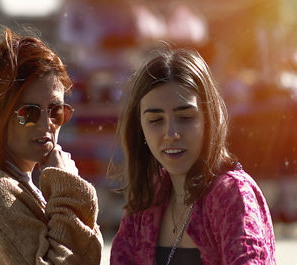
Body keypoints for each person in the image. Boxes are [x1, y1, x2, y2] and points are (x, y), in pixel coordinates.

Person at [0, 27, 103, 265]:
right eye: (28, 113)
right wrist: (67, 187)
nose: (46, 124)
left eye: (56, 111)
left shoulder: (14, 181)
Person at [110, 48, 276, 264]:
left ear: (208, 119)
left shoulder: (231, 194)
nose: (171, 134)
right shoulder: (149, 200)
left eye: (185, 117)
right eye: (155, 121)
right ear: (139, 128)